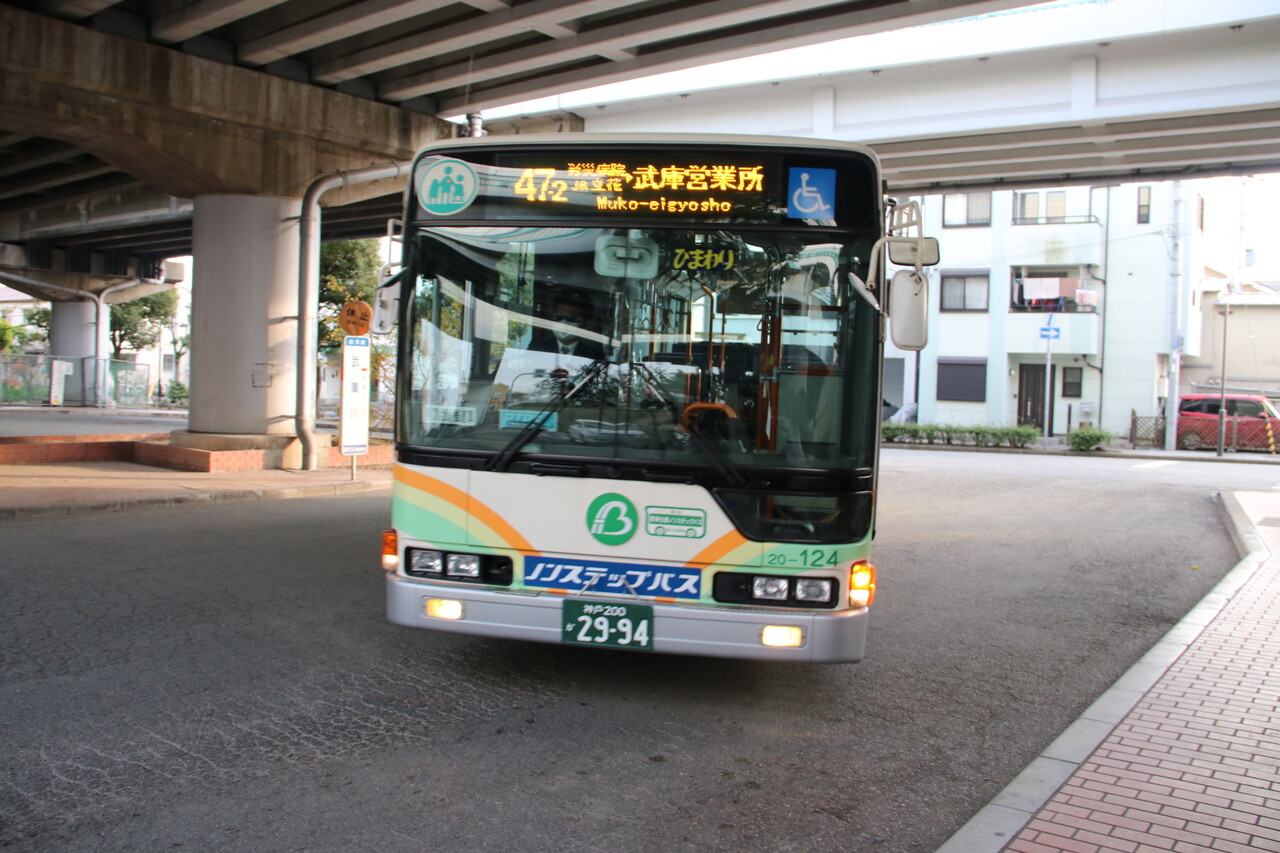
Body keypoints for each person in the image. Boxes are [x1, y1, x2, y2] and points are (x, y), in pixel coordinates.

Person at [530, 294, 606, 360]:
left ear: (583, 325)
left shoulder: (594, 356)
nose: (563, 322)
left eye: (571, 318)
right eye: (558, 317)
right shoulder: (538, 348)